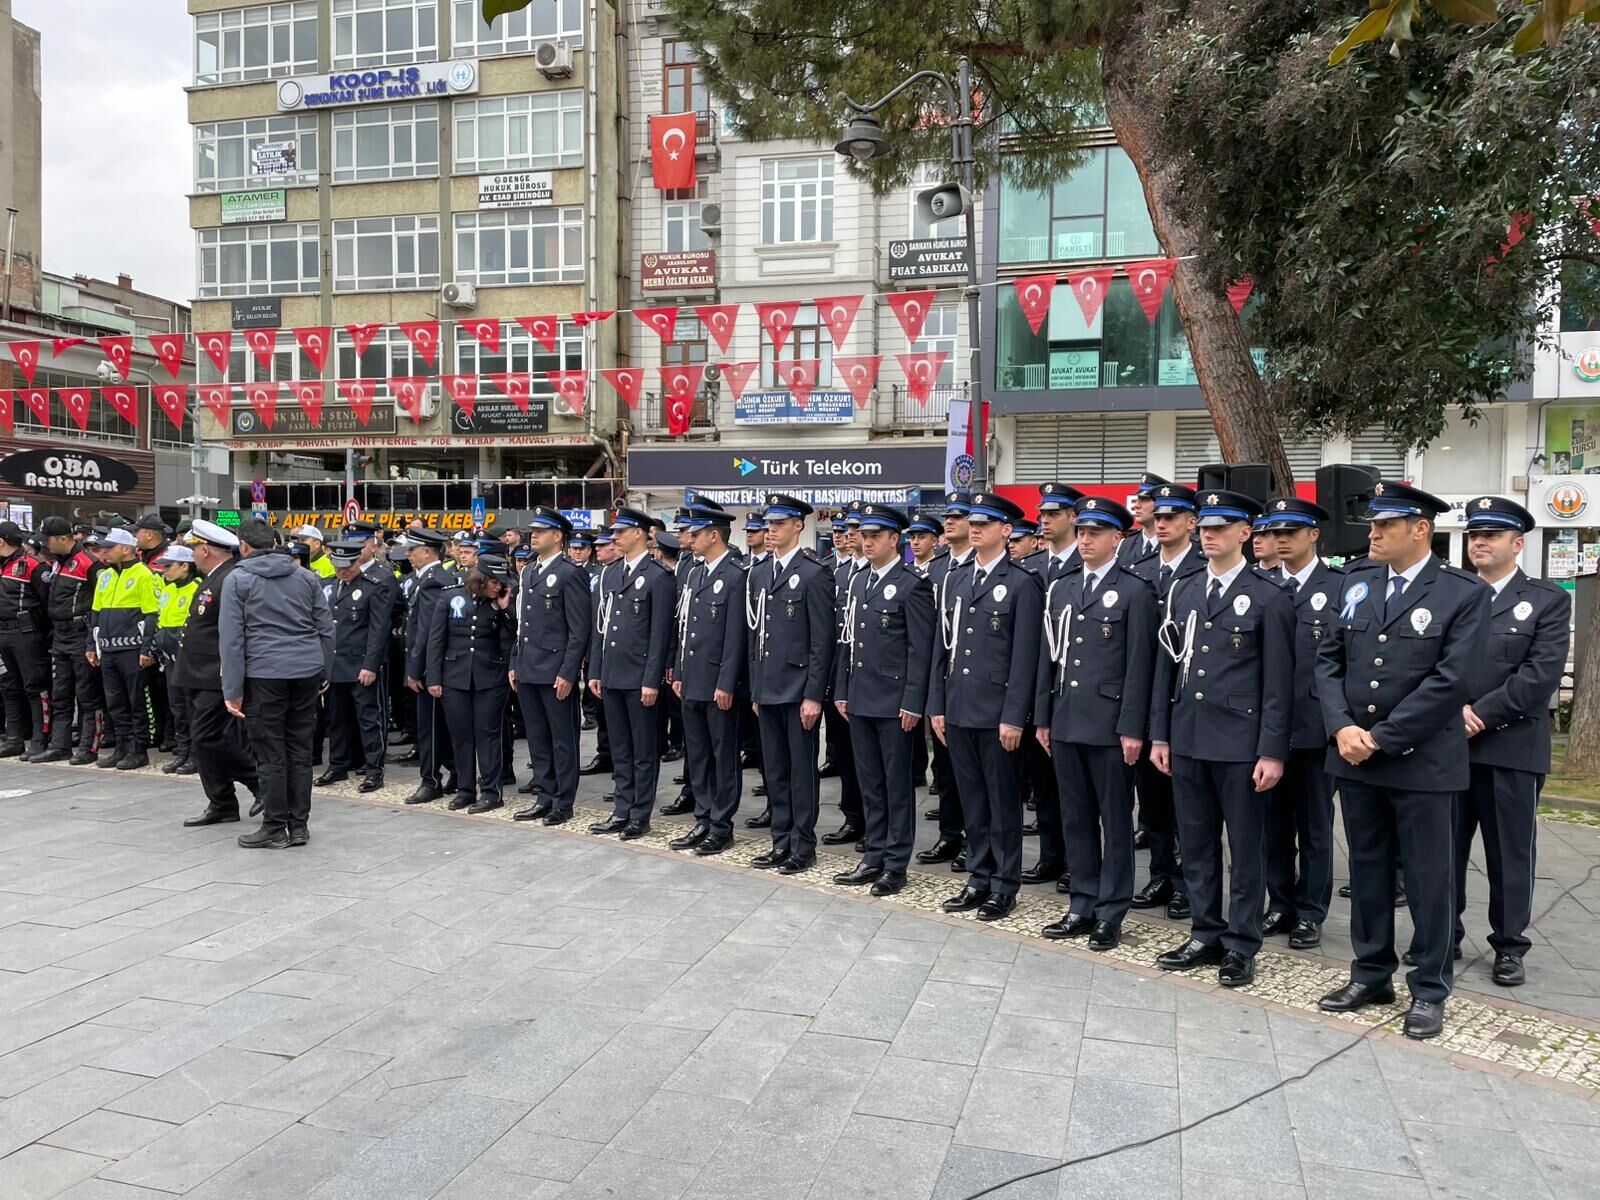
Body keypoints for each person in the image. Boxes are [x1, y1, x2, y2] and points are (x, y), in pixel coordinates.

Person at [1315, 481, 1490, 1040]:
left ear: (1421, 529)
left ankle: (1430, 987)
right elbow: (1328, 661)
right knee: (1366, 869)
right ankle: (1371, 972)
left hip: (1420, 762)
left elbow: (1451, 679)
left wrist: (1383, 737)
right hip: (1356, 757)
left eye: (1384, 524)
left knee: (1428, 878)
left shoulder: (1462, 592)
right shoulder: (1357, 583)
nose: (1373, 532)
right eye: (1372, 523)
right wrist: (1342, 725)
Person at [1150, 490, 1293, 988]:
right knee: (1196, 842)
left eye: (1220, 527)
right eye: (1205, 526)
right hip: (1188, 736)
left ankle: (1241, 943)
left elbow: (1279, 683)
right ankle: (1205, 931)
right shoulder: (1185, 589)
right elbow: (1166, 670)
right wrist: (1160, 735)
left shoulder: (1269, 596)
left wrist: (1272, 750)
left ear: (1244, 533)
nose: (1209, 535)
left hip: (1240, 743)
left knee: (1246, 848)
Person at [1453, 496, 1568, 987]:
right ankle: (1443, 934)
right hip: (1450, 747)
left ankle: (1508, 945)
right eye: (1474, 534)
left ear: (1517, 544)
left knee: (1510, 853)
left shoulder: (1546, 600)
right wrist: (1448, 713)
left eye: (1492, 535)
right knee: (1443, 851)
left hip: (1511, 748)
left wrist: (1478, 714)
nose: (1479, 542)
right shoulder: (1452, 595)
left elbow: (1538, 678)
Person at [1035, 496, 1157, 950]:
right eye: (1082, 532)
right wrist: (1044, 717)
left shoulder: (1135, 589)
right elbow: (1051, 658)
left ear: (1117, 538)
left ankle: (1111, 909)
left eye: (1095, 533)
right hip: (1066, 718)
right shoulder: (1063, 587)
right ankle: (1082, 902)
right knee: (1077, 817)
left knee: (1115, 819)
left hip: (1109, 725)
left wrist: (1132, 728)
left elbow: (1140, 666)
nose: (1085, 540)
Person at [929, 492, 1045, 921]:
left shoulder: (1022, 583)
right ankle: (978, 876)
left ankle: (1004, 884)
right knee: (972, 800)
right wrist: (937, 705)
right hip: (959, 707)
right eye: (971, 522)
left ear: (1006, 530)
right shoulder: (956, 580)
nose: (974, 528)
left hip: (998, 714)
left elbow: (1026, 655)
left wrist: (1015, 716)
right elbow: (944, 647)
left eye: (985, 522)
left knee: (1002, 801)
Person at [833, 505, 934, 897]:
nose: (867, 541)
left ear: (895, 540)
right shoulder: (860, 583)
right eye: (864, 535)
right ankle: (873, 854)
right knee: (870, 782)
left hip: (894, 704)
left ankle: (895, 863)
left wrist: (912, 702)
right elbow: (848, 642)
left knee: (895, 785)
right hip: (860, 697)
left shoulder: (912, 584)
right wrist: (842, 689)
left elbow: (919, 650)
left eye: (876, 535)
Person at [1258, 498, 1343, 950]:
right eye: (1275, 531)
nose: (1281, 539)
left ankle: (1311, 911)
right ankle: (1280, 903)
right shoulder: (1263, 585)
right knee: (1273, 823)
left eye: (1292, 531)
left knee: (1314, 825)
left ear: (1314, 535)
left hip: (1315, 728)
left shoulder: (1341, 586)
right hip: (1267, 727)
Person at [220, 521, 335, 848]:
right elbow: (326, 628)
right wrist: (324, 670)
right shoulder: (306, 577)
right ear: (274, 542)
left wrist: (233, 691)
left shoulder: (238, 579)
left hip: (264, 673)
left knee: (270, 754)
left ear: (243, 547)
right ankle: (298, 826)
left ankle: (274, 827)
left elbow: (232, 640)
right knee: (299, 750)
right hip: (306, 670)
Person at [1128, 482, 1205, 920]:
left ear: (1190, 524)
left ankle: (1188, 883)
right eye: (1158, 517)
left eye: (1171, 517)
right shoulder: (1140, 568)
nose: (1162, 523)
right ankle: (1161, 871)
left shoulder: (1201, 568)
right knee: (1153, 798)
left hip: (1186, 698)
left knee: (1187, 804)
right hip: (1144, 698)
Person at [746, 494, 835, 873]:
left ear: (799, 525)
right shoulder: (761, 573)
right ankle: (780, 841)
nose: (771, 529)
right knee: (776, 771)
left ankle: (802, 844)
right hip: (768, 688)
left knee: (801, 771)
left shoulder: (814, 572)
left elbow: (822, 641)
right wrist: (755, 689)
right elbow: (756, 636)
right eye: (769, 524)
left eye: (779, 523)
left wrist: (814, 695)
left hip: (798, 690)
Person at [588, 508, 675, 839]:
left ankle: (640, 813)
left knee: (643, 750)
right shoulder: (610, 574)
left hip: (640, 678)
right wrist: (596, 669)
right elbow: (602, 628)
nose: (614, 538)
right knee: (621, 748)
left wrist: (651, 680)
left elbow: (660, 634)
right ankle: (621, 809)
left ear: (639, 533)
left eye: (620, 532)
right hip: (612, 674)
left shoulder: (658, 576)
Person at [670, 504, 749, 856]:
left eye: (696, 533)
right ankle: (702, 817)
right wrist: (680, 673)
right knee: (698, 754)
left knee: (723, 755)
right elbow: (685, 628)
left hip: (718, 682)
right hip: (693, 680)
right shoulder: (693, 572)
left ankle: (721, 824)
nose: (689, 539)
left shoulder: (736, 574)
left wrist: (727, 683)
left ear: (713, 535)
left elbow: (735, 636)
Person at [176, 521, 262, 827]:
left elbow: (236, 632)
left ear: (204, 549)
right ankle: (221, 801)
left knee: (207, 736)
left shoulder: (230, 579)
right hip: (196, 671)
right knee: (203, 741)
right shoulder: (214, 577)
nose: (193, 557)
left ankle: (257, 780)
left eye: (194, 550)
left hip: (215, 673)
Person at [511, 507, 591, 826]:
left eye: (541, 531)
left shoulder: (572, 573)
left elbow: (578, 630)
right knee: (538, 738)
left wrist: (568, 672)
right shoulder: (529, 571)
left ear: (557, 536)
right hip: (530, 668)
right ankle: (544, 795)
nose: (534, 535)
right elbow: (523, 625)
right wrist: (516, 663)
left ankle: (563, 800)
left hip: (555, 670)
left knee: (562, 739)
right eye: (533, 530)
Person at [427, 554, 516, 813]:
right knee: (461, 735)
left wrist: (505, 608)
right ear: (482, 579)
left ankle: (491, 792)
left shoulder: (499, 603)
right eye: (495, 583)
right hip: (455, 676)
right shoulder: (450, 596)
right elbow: (436, 640)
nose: (499, 587)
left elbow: (512, 637)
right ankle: (465, 789)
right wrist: (433, 677)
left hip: (490, 677)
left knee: (488, 735)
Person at [917, 493, 975, 869]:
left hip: (973, 685)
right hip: (940, 678)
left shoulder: (980, 565)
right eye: (948, 517)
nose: (950, 522)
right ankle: (950, 835)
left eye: (959, 517)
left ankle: (974, 838)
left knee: (973, 773)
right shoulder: (937, 569)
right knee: (945, 767)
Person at [317, 538, 395, 793]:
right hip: (336, 666)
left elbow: (378, 630)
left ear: (357, 562)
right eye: (337, 566)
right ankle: (338, 765)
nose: (342, 571)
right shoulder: (328, 587)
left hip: (360, 664)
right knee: (337, 719)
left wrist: (370, 665)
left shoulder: (374, 587)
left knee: (369, 719)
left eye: (347, 566)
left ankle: (374, 769)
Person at [34, 517, 104, 764]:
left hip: (80, 633)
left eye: (48, 540)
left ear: (64, 538)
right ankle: (59, 745)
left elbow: (101, 602)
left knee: (87, 694)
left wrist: (93, 639)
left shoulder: (90, 563)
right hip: (59, 635)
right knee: (61, 694)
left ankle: (88, 747)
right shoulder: (56, 563)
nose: (46, 545)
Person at [89, 527, 160, 770]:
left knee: (136, 701)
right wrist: (92, 644)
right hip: (108, 649)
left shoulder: (144, 575)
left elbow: (152, 615)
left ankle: (139, 749)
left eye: (110, 548)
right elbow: (96, 612)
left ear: (127, 549)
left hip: (132, 649)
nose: (104, 552)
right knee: (115, 702)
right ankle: (122, 746)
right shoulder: (105, 576)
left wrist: (146, 649)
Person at [402, 529, 457, 805]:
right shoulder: (425, 579)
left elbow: (428, 631)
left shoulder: (433, 582)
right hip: (427, 665)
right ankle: (455, 773)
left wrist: (416, 669)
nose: (408, 555)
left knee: (431, 728)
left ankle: (430, 780)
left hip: (429, 668)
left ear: (428, 552)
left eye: (412, 550)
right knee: (437, 726)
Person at [0, 520, 53, 759]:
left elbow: (47, 604)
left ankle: (40, 739)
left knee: (35, 687)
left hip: (27, 634)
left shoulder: (34, 566)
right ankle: (14, 738)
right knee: (8, 687)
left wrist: (41, 634)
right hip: (2, 634)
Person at [152, 545, 200, 776]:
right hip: (170, 658)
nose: (164, 571)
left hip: (189, 659)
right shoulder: (168, 590)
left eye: (168, 566)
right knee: (177, 707)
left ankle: (196, 755)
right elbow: (161, 621)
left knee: (192, 708)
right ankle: (183, 751)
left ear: (185, 566)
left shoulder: (197, 589)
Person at [1116, 472, 1167, 567]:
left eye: (1144, 499)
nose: (1136, 505)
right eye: (1138, 499)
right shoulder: (1124, 544)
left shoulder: (1175, 542)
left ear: (1161, 503)